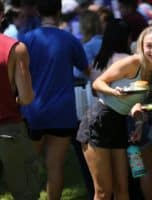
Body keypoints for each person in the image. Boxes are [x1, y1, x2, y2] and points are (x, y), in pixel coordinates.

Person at [76, 25, 152, 200]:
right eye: (149, 45)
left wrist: (139, 123)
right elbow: (98, 83)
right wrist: (114, 92)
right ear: (141, 45)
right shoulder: (133, 62)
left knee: (122, 189)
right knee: (103, 191)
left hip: (120, 123)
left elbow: (136, 104)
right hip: (99, 121)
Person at [20, 0, 89, 199]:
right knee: (55, 167)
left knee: (29, 166)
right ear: (59, 12)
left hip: (33, 111)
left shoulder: (26, 40)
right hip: (62, 112)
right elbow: (87, 71)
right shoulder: (70, 39)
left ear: (37, 11)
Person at [0, 1, 40, 199]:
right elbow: (26, 97)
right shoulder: (15, 49)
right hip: (9, 130)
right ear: (1, 16)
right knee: (25, 193)